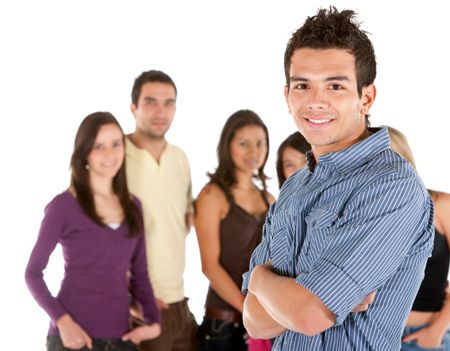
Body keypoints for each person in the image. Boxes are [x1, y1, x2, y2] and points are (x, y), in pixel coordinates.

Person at [241, 7, 434, 351]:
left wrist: (261, 281)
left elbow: (310, 315)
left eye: (335, 85)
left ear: (366, 97)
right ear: (287, 96)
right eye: (303, 85)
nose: (316, 101)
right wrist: (280, 291)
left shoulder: (393, 187)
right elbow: (253, 321)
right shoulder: (293, 189)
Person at [25, 112, 161, 351]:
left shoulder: (133, 207)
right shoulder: (63, 206)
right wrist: (63, 322)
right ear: (85, 152)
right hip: (72, 341)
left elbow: (140, 275)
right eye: (99, 146)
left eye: (116, 144)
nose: (110, 155)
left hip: (121, 340)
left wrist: (154, 323)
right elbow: (33, 273)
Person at [126, 70, 198, 351]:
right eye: (151, 102)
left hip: (179, 303)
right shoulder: (114, 155)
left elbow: (183, 223)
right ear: (133, 107)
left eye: (169, 103)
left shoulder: (180, 159)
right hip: (137, 306)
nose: (161, 111)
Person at [194, 109, 275, 351]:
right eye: (244, 144)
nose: (254, 152)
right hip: (224, 324)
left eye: (260, 143)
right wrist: (248, 309)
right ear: (228, 146)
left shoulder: (269, 199)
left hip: (261, 322)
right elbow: (209, 266)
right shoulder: (212, 196)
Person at [386, 127, 450, 351]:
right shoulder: (366, 215)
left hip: (425, 333)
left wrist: (437, 331)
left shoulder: (441, 205)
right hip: (374, 333)